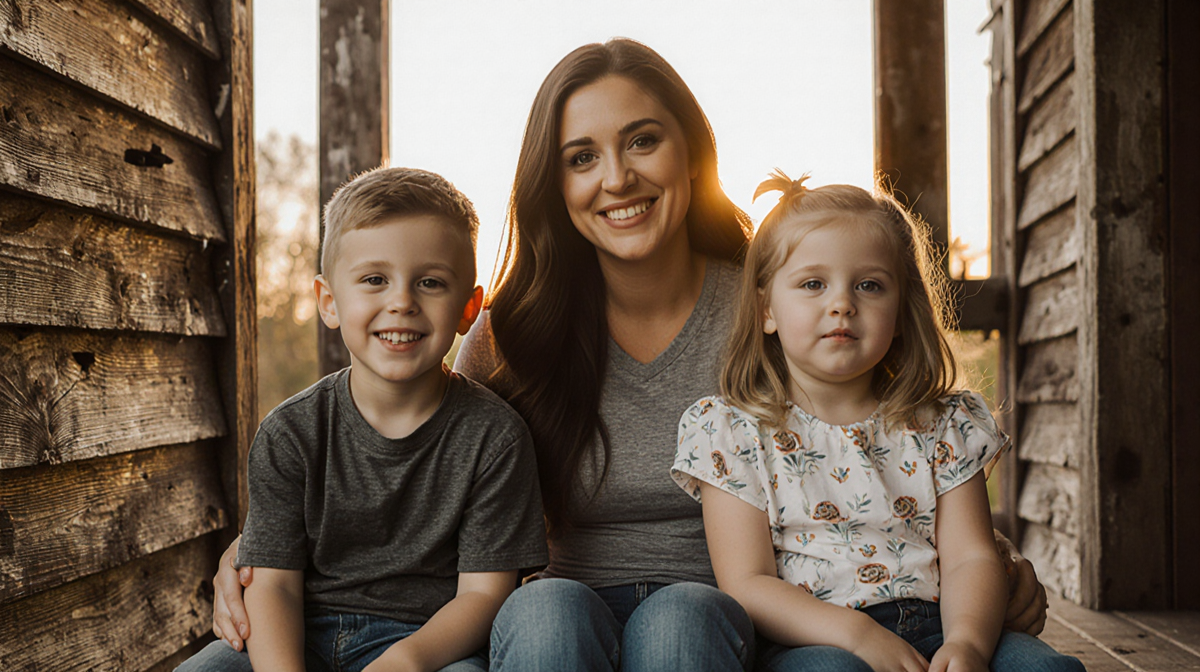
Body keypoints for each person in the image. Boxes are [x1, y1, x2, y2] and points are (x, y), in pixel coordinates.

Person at [210, 39, 1050, 671]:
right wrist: (253, 556)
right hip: (558, 614)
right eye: (582, 157)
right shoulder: (511, 332)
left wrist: (974, 557)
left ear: (689, 149)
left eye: (642, 141)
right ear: (557, 180)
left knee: (684, 622)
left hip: (734, 612)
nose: (616, 177)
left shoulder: (772, 306)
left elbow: (865, 436)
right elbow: (412, 444)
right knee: (548, 622)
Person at [671, 172, 1083, 672]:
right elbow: (747, 583)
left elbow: (970, 557)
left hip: (947, 621)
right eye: (813, 284)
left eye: (869, 285)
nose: (842, 303)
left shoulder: (942, 425)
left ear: (902, 311)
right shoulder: (733, 431)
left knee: (1048, 670)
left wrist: (969, 644)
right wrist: (858, 634)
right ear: (766, 310)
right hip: (816, 641)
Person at [181, 167, 548, 672]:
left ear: (469, 308)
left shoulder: (496, 439)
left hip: (431, 645)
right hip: (302, 633)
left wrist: (407, 660)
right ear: (329, 302)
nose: (401, 302)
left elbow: (484, 595)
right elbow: (273, 584)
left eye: (430, 282)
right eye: (375, 280)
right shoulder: (290, 433)